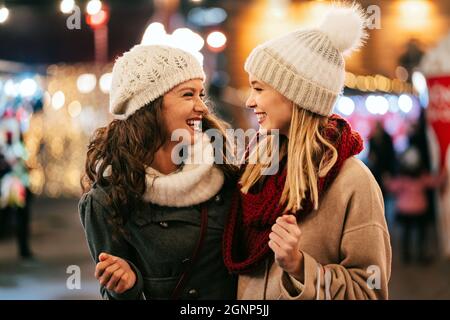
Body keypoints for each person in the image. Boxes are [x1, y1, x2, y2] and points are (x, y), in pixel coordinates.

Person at [223, 4, 392, 299]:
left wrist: (301, 268)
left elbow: (369, 291)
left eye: (259, 89)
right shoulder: (256, 169)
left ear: (295, 95)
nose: (249, 101)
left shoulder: (353, 181)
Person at [79, 44, 238, 300]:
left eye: (201, 95)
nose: (203, 108)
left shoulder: (225, 173)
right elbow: (113, 294)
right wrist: (127, 288)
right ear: (149, 105)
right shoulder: (107, 200)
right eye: (188, 95)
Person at [385, 146, 447, 265]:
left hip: (404, 210)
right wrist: (444, 173)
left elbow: (391, 186)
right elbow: (435, 182)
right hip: (420, 210)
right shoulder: (422, 177)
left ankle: (406, 256)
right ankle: (420, 255)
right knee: (421, 234)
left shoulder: (402, 179)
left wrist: (387, 180)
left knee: (406, 234)